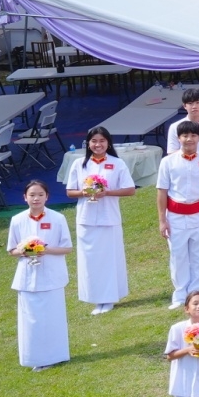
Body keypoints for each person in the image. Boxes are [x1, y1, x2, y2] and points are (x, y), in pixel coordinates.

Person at [67, 126, 135, 314]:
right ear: (88, 143)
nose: (98, 145)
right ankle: (96, 298)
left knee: (109, 259)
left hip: (109, 218)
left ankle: (110, 297)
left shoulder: (117, 163)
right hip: (86, 219)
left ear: (108, 143)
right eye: (94, 141)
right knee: (90, 261)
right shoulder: (79, 164)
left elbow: (130, 189)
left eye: (102, 141)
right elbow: (70, 191)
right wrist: (84, 192)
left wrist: (107, 193)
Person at [7, 180, 72, 370]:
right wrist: (25, 252)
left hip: (52, 275)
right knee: (31, 319)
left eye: (40, 195)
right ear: (25, 197)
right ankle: (35, 358)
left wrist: (46, 249)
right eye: (32, 195)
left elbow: (67, 248)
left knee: (53, 317)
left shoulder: (58, 219)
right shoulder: (17, 220)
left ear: (47, 197)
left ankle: (57, 355)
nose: (36, 198)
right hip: (27, 277)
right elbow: (11, 250)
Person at [155, 120, 199, 309]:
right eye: (185, 136)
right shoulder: (168, 162)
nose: (189, 139)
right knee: (179, 255)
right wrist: (162, 220)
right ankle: (180, 295)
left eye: (193, 135)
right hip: (176, 217)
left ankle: (197, 292)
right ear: (179, 138)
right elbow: (162, 191)